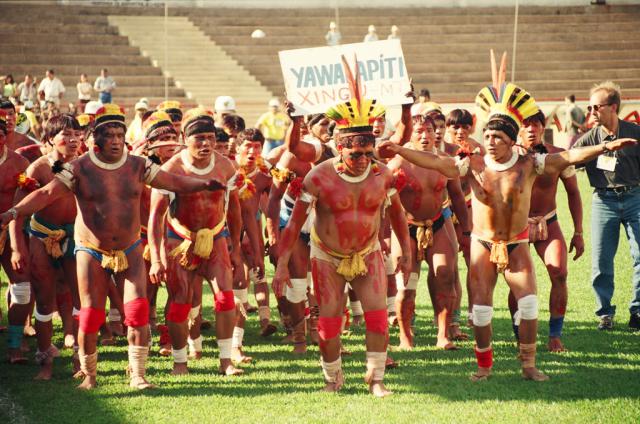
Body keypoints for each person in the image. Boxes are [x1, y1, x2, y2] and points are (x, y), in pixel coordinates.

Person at [378, 67, 635, 382]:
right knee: (483, 310)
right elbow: (435, 161)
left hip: (516, 243)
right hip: (483, 244)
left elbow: (570, 155)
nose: (490, 142)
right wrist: (400, 149)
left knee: (528, 305)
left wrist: (605, 147)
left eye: (497, 138)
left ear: (511, 140)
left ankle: (528, 365)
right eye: (487, 136)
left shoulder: (529, 163)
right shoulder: (471, 162)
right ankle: (483, 368)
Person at [0, 104, 227, 390]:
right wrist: (14, 212)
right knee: (91, 314)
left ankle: (138, 375)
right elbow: (46, 193)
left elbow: (172, 181)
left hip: (130, 249)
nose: (118, 140)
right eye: (111, 136)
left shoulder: (137, 165)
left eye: (121, 135)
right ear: (95, 142)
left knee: (137, 311)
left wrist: (203, 183)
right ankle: (89, 375)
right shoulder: (79, 167)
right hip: (89, 250)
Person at [273, 69, 411, 397]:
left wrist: (403, 249)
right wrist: (281, 264)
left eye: (368, 152)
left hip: (368, 253)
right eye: (355, 154)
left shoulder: (381, 175)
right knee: (329, 323)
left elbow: (397, 213)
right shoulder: (318, 177)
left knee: (378, 318)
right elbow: (293, 224)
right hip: (326, 257)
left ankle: (376, 379)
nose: (364, 160)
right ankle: (332, 379)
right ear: (339, 147)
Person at [147, 107, 244, 376]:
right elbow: (155, 218)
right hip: (180, 240)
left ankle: (226, 361)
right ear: (185, 141)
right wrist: (157, 258)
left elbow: (234, 209)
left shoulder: (226, 166)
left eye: (210, 139)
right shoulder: (170, 169)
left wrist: (235, 247)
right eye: (198, 139)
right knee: (180, 302)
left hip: (216, 238)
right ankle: (180, 362)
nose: (206, 144)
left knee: (225, 299)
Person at [9, 114, 82, 380]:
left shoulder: (86, 166)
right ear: (50, 139)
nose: (73, 139)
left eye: (77, 134)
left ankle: (81, 360)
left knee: (80, 300)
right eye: (67, 134)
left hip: (77, 239)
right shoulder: (36, 169)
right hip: (41, 237)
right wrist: (18, 249)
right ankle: (45, 363)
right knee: (44, 301)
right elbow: (18, 213)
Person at [387, 113, 467, 351]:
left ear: (436, 134)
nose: (425, 136)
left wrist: (468, 230)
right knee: (406, 284)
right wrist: (383, 235)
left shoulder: (445, 161)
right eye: (419, 131)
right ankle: (405, 337)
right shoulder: (397, 164)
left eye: (429, 131)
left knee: (445, 275)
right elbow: (384, 204)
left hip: (438, 223)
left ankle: (443, 335)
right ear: (410, 134)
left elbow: (457, 196)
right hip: (406, 228)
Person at [507, 108, 584, 352]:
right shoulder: (507, 156)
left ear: (543, 127)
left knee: (559, 272)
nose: (531, 129)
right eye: (526, 124)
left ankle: (555, 335)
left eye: (536, 124)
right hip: (516, 225)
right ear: (518, 128)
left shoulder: (558, 156)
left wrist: (579, 232)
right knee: (518, 282)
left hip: (548, 221)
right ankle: (519, 331)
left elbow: (573, 192)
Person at [572, 81, 640, 331]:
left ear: (613, 107)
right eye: (589, 107)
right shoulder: (588, 139)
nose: (591, 112)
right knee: (601, 261)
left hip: (635, 197)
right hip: (603, 201)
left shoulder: (635, 132)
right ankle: (605, 314)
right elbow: (569, 160)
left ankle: (638, 311)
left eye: (596, 107)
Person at [0, 109, 32, 365]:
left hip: (11, 231)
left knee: (21, 287)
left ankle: (14, 344)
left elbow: (28, 197)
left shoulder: (20, 164)